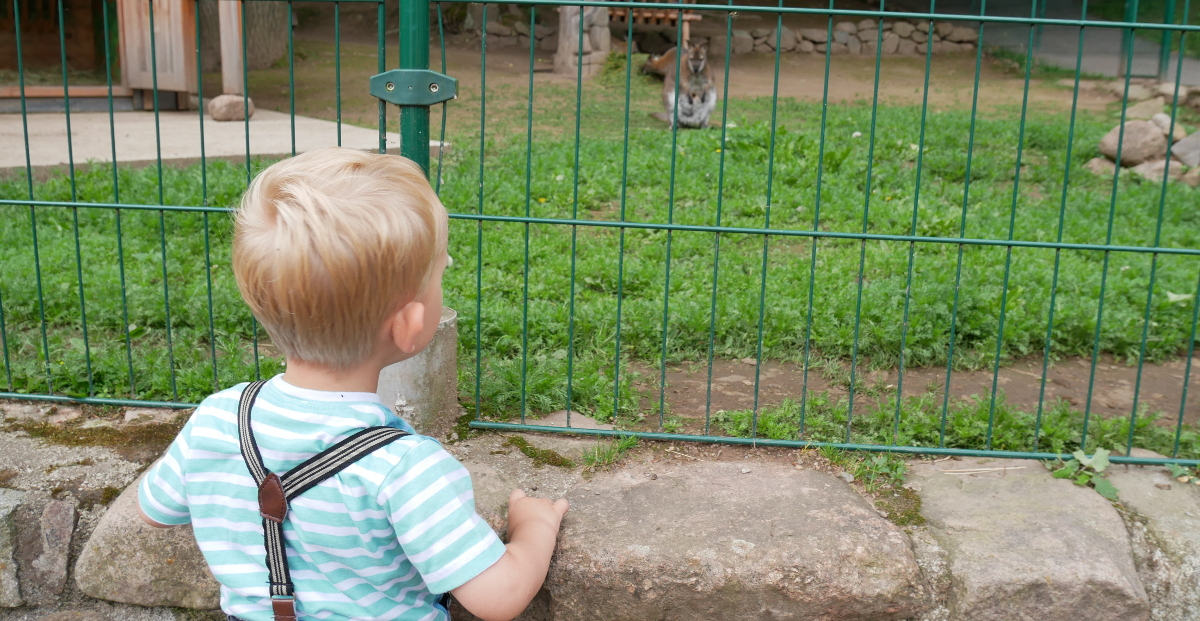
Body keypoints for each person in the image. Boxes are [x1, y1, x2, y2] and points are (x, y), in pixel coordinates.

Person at [137, 147, 568, 621]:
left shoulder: (219, 417)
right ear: (407, 325)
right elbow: (499, 597)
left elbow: (154, 510)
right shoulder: (404, 468)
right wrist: (534, 527)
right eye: (440, 275)